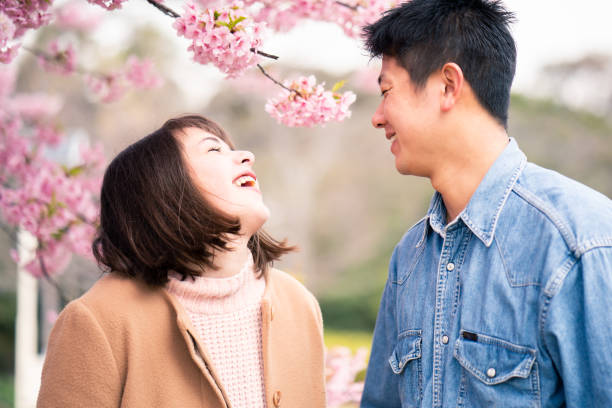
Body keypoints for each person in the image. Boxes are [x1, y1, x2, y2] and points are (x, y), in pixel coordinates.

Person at [360, 0, 612, 407]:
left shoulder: (578, 242)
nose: (377, 117)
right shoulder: (409, 256)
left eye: (387, 91)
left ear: (447, 85)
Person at [37, 115, 326, 408]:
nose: (247, 156)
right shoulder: (96, 320)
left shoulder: (299, 304)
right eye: (214, 150)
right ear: (162, 185)